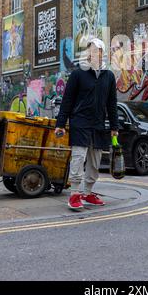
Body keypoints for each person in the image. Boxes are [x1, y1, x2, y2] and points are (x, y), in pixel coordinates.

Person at [55, 38, 119, 210]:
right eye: (90, 49)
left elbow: (111, 103)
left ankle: (88, 192)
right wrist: (60, 123)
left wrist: (114, 127)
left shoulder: (109, 76)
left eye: (96, 49)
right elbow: (67, 100)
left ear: (101, 53)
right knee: (78, 158)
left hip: (98, 125)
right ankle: (75, 194)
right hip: (80, 122)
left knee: (95, 162)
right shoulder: (78, 73)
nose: (92, 52)